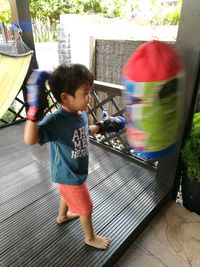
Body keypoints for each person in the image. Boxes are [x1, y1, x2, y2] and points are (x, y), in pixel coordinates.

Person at [24, 64, 125, 250]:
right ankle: (90, 238)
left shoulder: (81, 113)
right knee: (86, 208)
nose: (89, 97)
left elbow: (82, 131)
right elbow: (30, 139)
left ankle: (62, 216)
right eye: (85, 93)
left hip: (74, 170)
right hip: (68, 174)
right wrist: (33, 112)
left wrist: (102, 126)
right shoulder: (56, 121)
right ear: (65, 97)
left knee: (66, 194)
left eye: (90, 91)